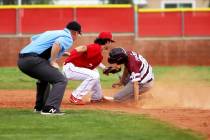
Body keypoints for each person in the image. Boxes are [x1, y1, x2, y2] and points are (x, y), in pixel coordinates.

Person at [17, 21, 82, 115]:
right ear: (75, 32)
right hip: (33, 60)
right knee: (61, 80)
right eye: (78, 34)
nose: (77, 37)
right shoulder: (68, 37)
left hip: (22, 60)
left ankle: (39, 107)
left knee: (45, 79)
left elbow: (33, 39)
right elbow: (57, 44)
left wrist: (61, 53)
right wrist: (53, 61)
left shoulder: (52, 32)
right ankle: (50, 108)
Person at [62, 32, 115, 105]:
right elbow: (83, 48)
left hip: (74, 68)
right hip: (70, 68)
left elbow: (94, 62)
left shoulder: (99, 54)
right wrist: (71, 54)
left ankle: (97, 97)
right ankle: (75, 96)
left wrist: (104, 68)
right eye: (110, 42)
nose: (110, 44)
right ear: (107, 41)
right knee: (93, 75)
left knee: (95, 72)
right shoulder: (96, 47)